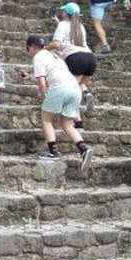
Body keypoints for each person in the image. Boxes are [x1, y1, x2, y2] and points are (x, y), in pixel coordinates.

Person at [26, 35, 93, 170]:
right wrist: (28, 78)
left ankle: (53, 151)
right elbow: (52, 77)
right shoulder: (54, 56)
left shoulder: (38, 57)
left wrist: (44, 95)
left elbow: (42, 81)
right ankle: (83, 149)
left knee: (46, 119)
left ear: (32, 47)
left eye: (27, 49)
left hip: (59, 89)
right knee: (67, 124)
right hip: (75, 89)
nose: (28, 52)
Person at [48, 2, 97, 128]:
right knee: (80, 84)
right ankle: (86, 94)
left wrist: (45, 48)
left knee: (71, 89)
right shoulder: (80, 26)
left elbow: (56, 44)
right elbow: (73, 39)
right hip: (90, 58)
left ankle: (78, 122)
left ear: (65, 13)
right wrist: (57, 23)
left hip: (76, 58)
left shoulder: (63, 25)